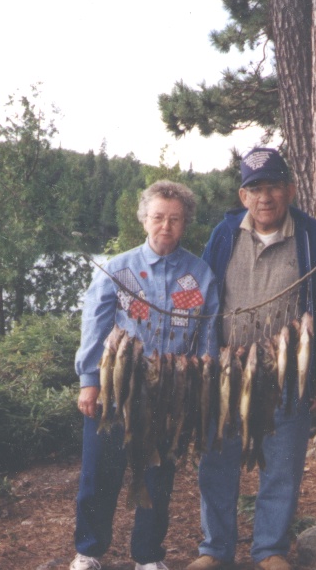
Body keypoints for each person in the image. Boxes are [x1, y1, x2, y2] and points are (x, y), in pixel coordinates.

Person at [187, 148, 316, 570]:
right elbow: (200, 296)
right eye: (255, 188)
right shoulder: (224, 234)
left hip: (288, 371)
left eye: (274, 186)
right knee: (216, 460)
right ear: (243, 196)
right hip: (227, 368)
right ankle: (214, 549)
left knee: (282, 463)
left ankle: (270, 550)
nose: (265, 197)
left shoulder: (314, 236)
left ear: (290, 190)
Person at [70, 180, 220, 570]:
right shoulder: (117, 269)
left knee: (158, 476)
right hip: (116, 388)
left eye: (174, 219)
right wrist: (89, 381)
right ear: (144, 220)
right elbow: (94, 327)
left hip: (170, 391)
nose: (165, 226)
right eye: (158, 217)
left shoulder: (199, 274)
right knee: (100, 472)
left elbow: (207, 336)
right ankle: (89, 550)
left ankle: (148, 556)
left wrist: (200, 384)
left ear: (185, 223)